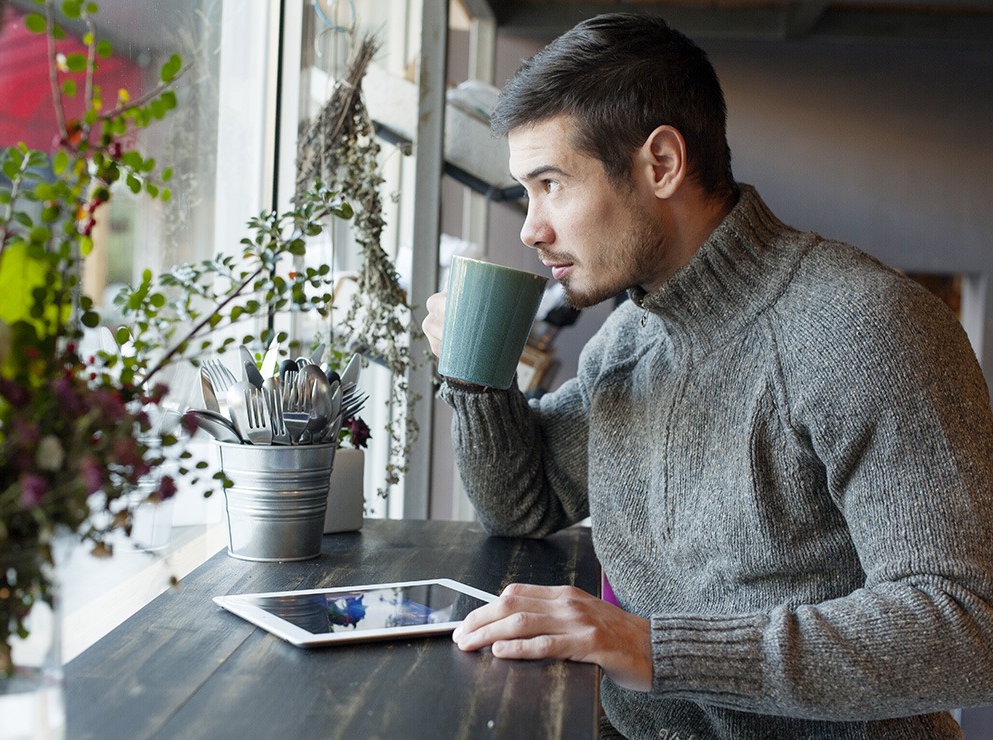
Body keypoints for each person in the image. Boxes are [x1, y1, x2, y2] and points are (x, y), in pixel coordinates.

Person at [422, 12, 993, 740]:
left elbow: (970, 623)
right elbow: (526, 503)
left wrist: (651, 648)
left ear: (661, 164)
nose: (532, 227)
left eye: (550, 183)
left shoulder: (868, 327)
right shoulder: (632, 336)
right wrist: (474, 379)